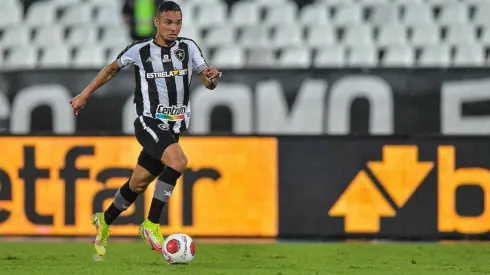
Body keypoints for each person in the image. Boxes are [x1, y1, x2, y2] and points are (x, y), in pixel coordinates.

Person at [69, 1, 222, 257]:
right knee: (178, 161)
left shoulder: (189, 47)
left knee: (138, 184)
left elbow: (208, 82)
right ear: (157, 22)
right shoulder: (140, 50)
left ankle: (104, 220)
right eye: (168, 22)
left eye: (178, 23)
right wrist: (84, 95)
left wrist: (212, 78)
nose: (174, 28)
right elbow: (111, 70)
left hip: (173, 127)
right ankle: (151, 224)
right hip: (148, 122)